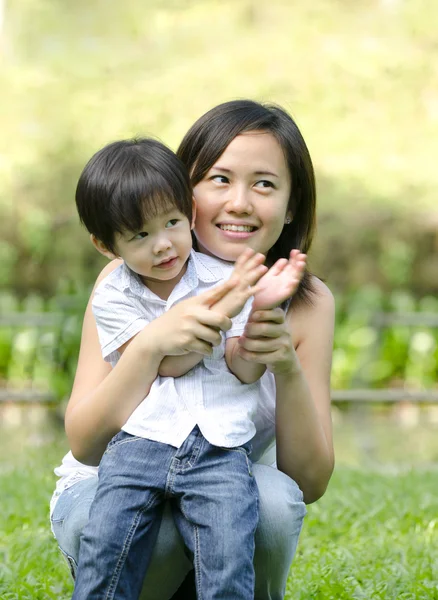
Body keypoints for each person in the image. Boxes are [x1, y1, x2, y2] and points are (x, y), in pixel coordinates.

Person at [50, 99, 335, 600]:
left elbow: (307, 482)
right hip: (114, 475)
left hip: (219, 475)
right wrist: (151, 348)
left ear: (292, 205)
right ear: (185, 190)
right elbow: (86, 443)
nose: (240, 202)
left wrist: (284, 366)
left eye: (264, 184)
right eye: (220, 179)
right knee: (140, 529)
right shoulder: (126, 280)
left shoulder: (304, 301)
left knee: (268, 504)